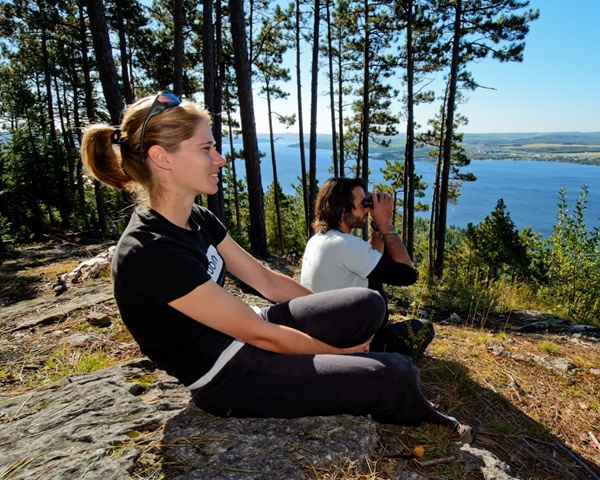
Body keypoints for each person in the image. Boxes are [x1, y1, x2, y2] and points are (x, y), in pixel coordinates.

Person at [79, 91, 473, 442]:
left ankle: (364, 353)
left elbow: (265, 279)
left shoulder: (197, 218)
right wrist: (341, 351)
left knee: (367, 304)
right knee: (394, 373)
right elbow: (261, 336)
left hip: (249, 328)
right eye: (206, 149)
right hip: (229, 372)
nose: (220, 158)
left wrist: (329, 315)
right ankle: (415, 409)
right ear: (161, 157)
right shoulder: (151, 251)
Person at [300, 177, 434, 357]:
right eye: (363, 203)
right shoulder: (346, 245)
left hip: (328, 333)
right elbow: (407, 275)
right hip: (356, 343)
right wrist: (387, 225)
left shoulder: (319, 240)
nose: (367, 208)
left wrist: (377, 229)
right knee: (424, 327)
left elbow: (372, 259)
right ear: (344, 208)